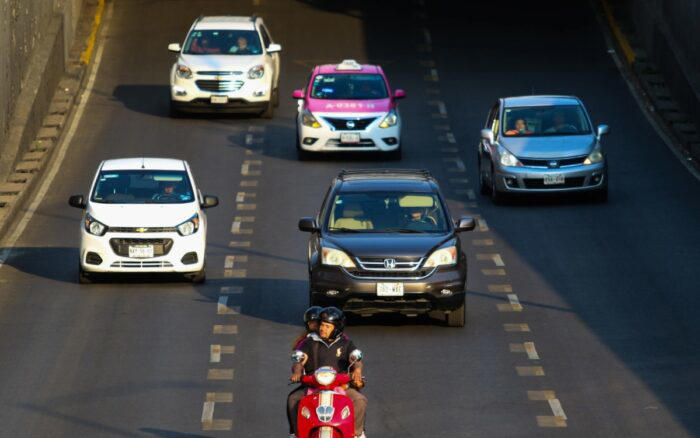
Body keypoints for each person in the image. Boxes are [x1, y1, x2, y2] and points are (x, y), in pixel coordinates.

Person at [287, 307, 367, 438]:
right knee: (293, 399)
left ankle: (358, 433)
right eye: (322, 325)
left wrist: (357, 369)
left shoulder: (346, 343)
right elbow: (299, 360)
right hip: (313, 385)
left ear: (336, 328)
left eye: (327, 326)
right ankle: (296, 433)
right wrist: (297, 372)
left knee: (360, 400)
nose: (322, 329)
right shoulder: (309, 341)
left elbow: (355, 358)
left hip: (340, 386)